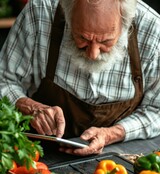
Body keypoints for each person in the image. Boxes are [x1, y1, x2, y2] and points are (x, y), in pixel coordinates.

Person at [0, 0, 160, 156]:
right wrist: (31, 107)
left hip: (119, 159)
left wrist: (111, 133)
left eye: (105, 41)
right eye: (83, 38)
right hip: (39, 153)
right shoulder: (40, 11)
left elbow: (156, 110)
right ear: (66, 13)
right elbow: (4, 80)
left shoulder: (152, 28)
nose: (93, 54)